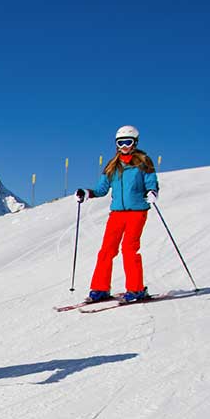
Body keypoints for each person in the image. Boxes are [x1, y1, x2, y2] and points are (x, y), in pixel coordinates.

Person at [75, 125, 160, 303]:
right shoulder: (113, 165)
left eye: (128, 142)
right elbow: (101, 189)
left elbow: (151, 182)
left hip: (137, 212)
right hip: (117, 214)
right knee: (106, 250)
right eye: (120, 143)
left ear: (135, 142)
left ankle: (136, 289)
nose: (124, 146)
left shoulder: (144, 163)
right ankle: (100, 288)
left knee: (129, 249)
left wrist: (152, 192)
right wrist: (87, 192)